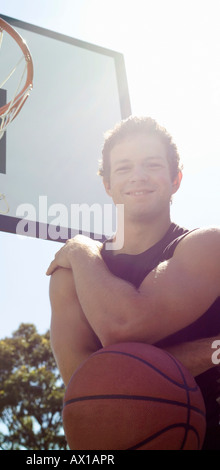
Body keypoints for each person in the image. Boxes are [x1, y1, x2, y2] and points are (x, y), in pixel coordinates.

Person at [46, 116, 220, 450]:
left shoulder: (207, 246)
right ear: (108, 185)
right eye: (124, 168)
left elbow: (126, 327)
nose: (138, 176)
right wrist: (211, 351)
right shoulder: (68, 277)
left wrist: (80, 249)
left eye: (152, 165)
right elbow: (94, 390)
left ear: (175, 180)